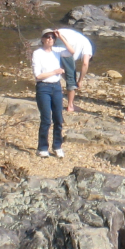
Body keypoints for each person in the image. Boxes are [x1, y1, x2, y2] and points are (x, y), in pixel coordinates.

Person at [32, 29, 75, 158]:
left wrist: (61, 37)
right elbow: (38, 75)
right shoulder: (37, 53)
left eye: (52, 37)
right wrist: (55, 72)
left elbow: (72, 51)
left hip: (56, 87)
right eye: (47, 37)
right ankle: (42, 147)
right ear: (42, 39)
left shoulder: (57, 51)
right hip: (43, 87)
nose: (50, 39)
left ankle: (57, 146)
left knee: (58, 118)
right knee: (46, 119)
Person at [48, 28, 94, 112]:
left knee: (55, 71)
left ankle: (48, 99)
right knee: (71, 79)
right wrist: (80, 80)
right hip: (63, 42)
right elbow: (85, 63)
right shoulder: (88, 47)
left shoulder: (81, 40)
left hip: (51, 37)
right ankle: (70, 106)